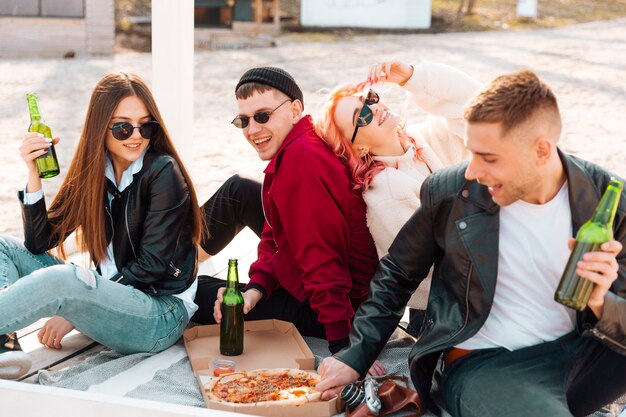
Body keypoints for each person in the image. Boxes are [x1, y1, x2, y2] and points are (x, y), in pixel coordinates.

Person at [316, 69, 626, 416]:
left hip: (584, 353)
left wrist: (601, 302)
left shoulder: (609, 200)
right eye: (472, 152)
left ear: (541, 151)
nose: (471, 170)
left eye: (489, 158)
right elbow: (398, 274)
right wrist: (355, 356)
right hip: (488, 362)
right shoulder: (452, 191)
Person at [0, 72, 203, 380]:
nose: (136, 136)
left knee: (65, 280)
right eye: (123, 127)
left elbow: (151, 265)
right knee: (4, 245)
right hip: (108, 297)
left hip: (158, 314)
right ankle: (4, 334)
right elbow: (40, 241)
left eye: (146, 125)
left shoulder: (163, 172)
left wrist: (74, 308)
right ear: (101, 127)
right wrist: (33, 173)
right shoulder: (94, 171)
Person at [192, 67, 380, 358]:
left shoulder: (301, 162)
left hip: (341, 311)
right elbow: (277, 235)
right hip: (341, 295)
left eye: (263, 116)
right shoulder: (300, 144)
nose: (253, 129)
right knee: (238, 189)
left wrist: (345, 349)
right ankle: (168, 267)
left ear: (295, 109)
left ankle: (160, 273)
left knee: (193, 292)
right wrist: (256, 289)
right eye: (244, 120)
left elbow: (322, 259)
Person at [315, 60, 481, 318]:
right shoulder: (387, 191)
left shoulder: (419, 143)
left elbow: (480, 106)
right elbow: (433, 268)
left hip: (475, 285)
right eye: (362, 116)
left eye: (369, 99)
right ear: (358, 148)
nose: (374, 108)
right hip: (445, 313)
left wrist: (412, 77)